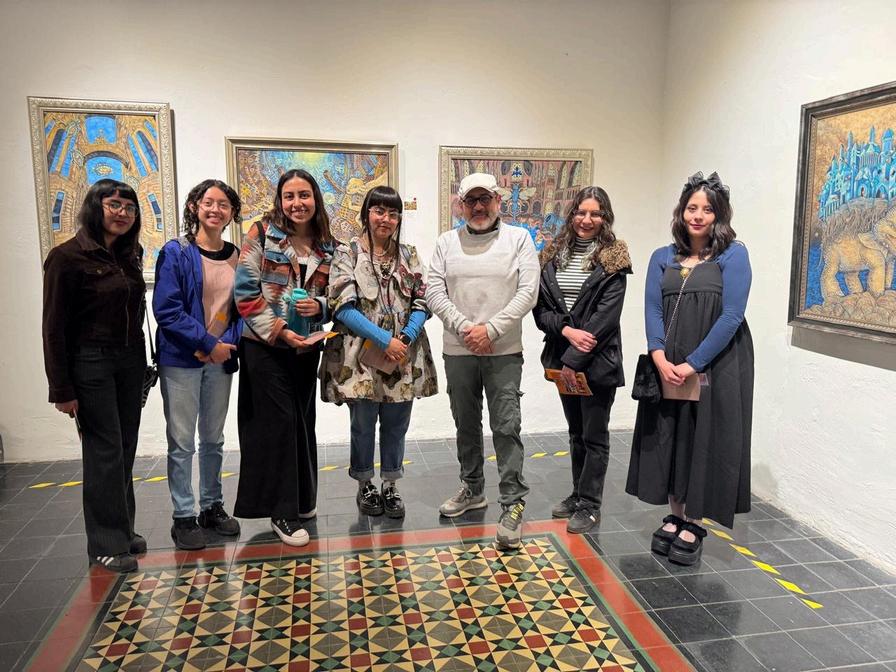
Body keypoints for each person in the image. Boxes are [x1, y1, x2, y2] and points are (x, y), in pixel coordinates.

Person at [626, 172, 753, 565]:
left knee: (702, 436)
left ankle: (694, 521)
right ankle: (675, 514)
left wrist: (694, 364)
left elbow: (732, 316)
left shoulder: (733, 255)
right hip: (668, 362)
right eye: (691, 208)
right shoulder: (662, 256)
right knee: (669, 434)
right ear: (681, 212)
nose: (698, 216)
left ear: (719, 215)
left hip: (716, 362)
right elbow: (652, 309)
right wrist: (659, 356)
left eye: (707, 209)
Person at [426, 172, 539, 551]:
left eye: (485, 199)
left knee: (506, 426)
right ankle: (473, 489)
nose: (478, 207)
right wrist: (465, 328)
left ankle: (513, 503)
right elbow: (434, 291)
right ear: (460, 205)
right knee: (466, 423)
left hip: (503, 351)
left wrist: (490, 330)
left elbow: (528, 292)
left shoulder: (519, 239)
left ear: (498, 201)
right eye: (471, 200)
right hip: (459, 350)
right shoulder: (446, 242)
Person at [42, 179, 147, 573]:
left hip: (129, 362)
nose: (122, 213)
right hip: (90, 363)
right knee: (104, 450)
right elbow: (53, 327)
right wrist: (61, 388)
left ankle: (123, 529)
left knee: (124, 447)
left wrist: (141, 367)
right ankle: (104, 543)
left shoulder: (130, 254)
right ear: (94, 206)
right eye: (114, 204)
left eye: (130, 208)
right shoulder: (66, 257)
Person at [321, 186, 438, 517]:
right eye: (379, 211)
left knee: (397, 422)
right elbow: (343, 307)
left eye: (393, 213)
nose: (385, 219)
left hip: (403, 353)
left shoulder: (409, 255)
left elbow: (423, 299)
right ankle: (365, 485)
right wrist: (384, 340)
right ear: (366, 213)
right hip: (360, 356)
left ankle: (390, 484)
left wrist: (405, 337)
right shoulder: (346, 254)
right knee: (362, 423)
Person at [233, 169, 335, 546]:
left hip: (306, 346)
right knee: (279, 423)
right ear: (280, 200)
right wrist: (279, 330)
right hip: (265, 346)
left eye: (304, 195)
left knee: (302, 421)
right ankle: (282, 512)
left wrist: (320, 306)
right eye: (289, 196)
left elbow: (339, 295)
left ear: (315, 199)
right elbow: (245, 292)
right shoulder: (261, 234)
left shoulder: (329, 245)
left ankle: (303, 499)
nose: (297, 203)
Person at [533, 186, 631, 534]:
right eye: (581, 212)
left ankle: (590, 505)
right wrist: (566, 332)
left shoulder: (614, 259)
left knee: (594, 435)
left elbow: (606, 318)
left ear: (605, 218)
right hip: (563, 360)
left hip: (597, 362)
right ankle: (577, 495)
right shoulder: (552, 256)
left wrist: (575, 356)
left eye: (595, 214)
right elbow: (541, 311)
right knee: (576, 432)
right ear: (571, 214)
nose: (586, 220)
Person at [153, 179, 243, 550]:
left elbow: (243, 309)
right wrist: (207, 344)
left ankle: (211, 506)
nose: (215, 210)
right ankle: (183, 515)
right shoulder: (176, 252)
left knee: (213, 438)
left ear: (232, 213)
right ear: (194, 207)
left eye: (223, 204)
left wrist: (225, 345)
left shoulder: (237, 255)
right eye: (209, 202)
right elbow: (167, 310)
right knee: (181, 441)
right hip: (181, 360)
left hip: (220, 360)